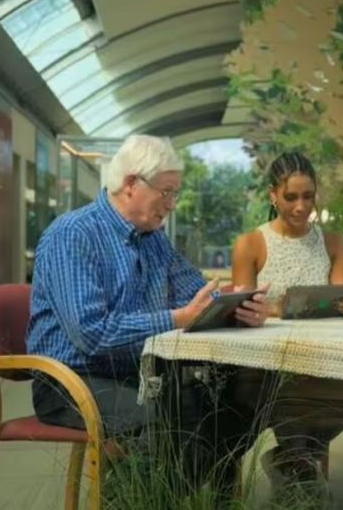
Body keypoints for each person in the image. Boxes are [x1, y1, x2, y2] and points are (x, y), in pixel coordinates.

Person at [26, 134, 270, 491]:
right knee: (174, 422)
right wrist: (176, 319)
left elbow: (197, 294)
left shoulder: (154, 239)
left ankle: (183, 497)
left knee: (239, 399)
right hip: (71, 382)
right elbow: (91, 334)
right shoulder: (73, 235)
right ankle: (137, 496)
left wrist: (241, 307)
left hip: (139, 376)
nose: (172, 204)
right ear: (130, 184)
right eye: (167, 192)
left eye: (175, 193)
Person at [230, 151, 343, 487]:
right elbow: (241, 312)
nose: (300, 206)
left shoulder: (335, 243)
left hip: (323, 357)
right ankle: (299, 470)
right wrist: (276, 312)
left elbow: (341, 304)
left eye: (308, 196)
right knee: (292, 387)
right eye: (290, 197)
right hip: (265, 364)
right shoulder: (250, 244)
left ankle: (292, 462)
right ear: (272, 195)